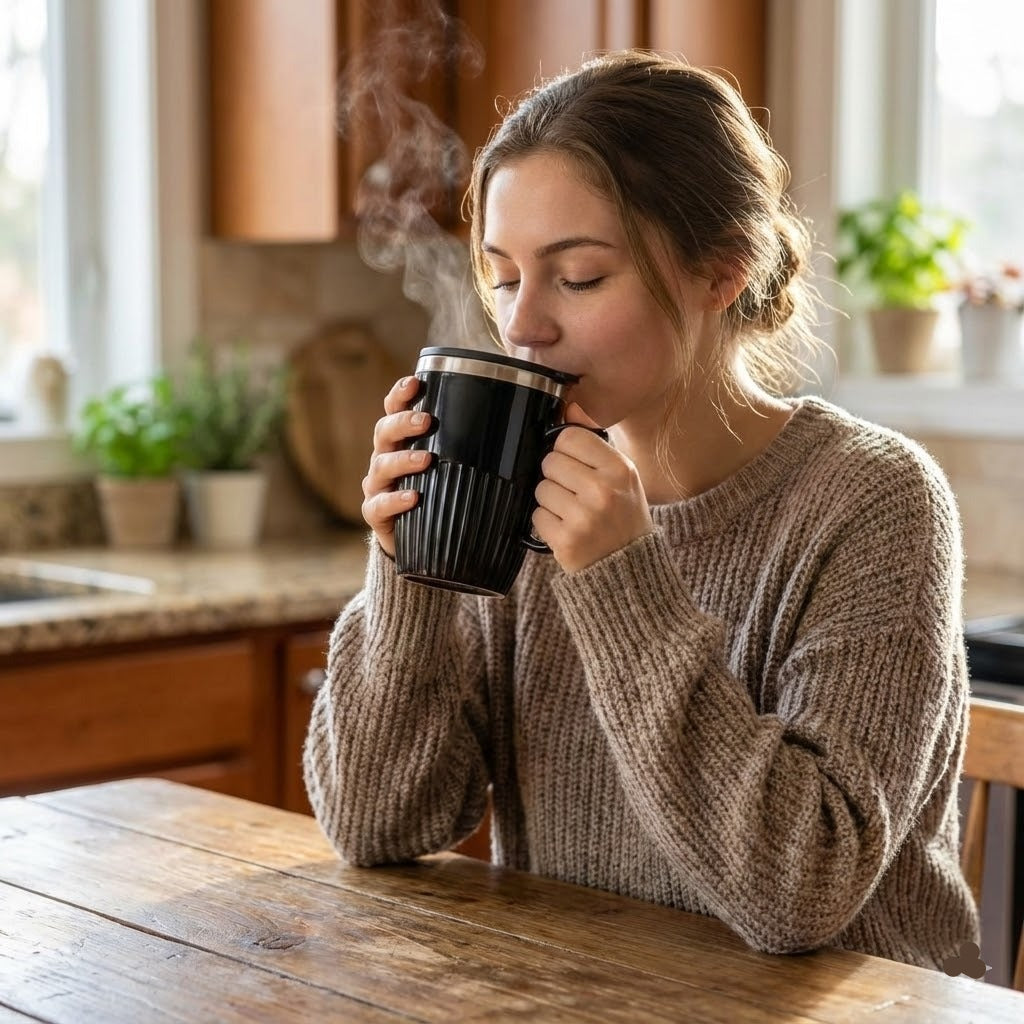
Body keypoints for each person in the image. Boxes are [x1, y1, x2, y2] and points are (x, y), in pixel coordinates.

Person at [304, 50, 978, 971]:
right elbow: (376, 826)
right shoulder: (516, 489)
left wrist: (623, 581)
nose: (524, 325)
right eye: (504, 277)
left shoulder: (874, 503)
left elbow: (800, 892)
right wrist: (411, 565)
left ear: (721, 273)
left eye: (578, 277)